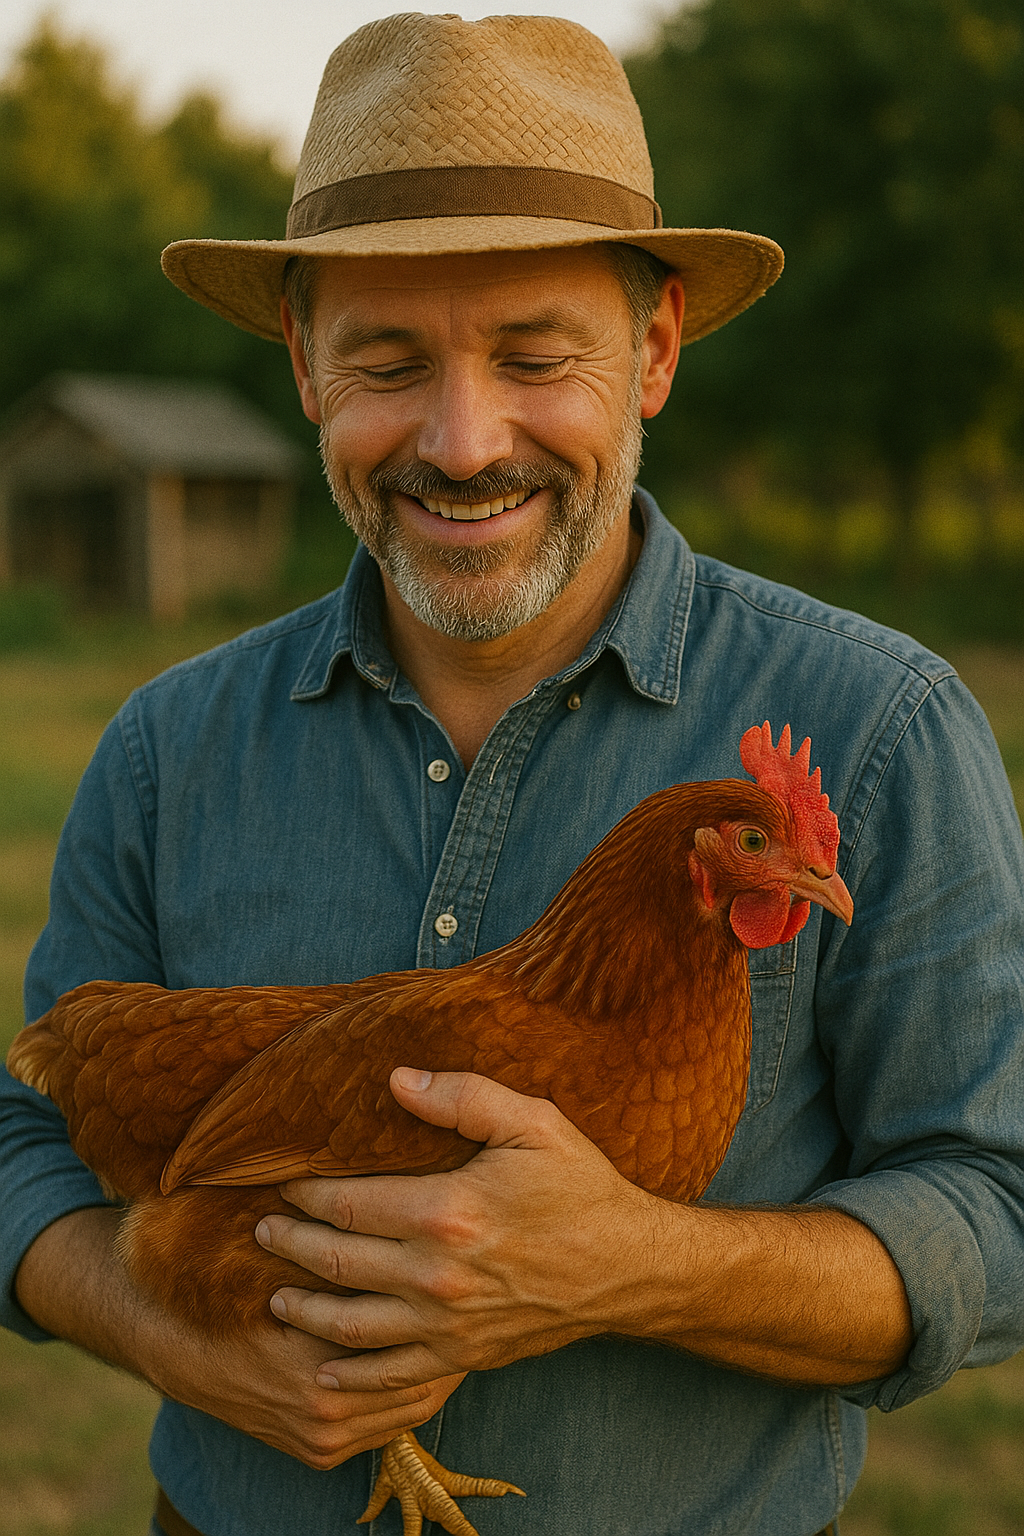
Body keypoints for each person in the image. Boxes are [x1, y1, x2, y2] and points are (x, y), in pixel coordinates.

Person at [2, 13, 1023, 1536]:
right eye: (388, 361)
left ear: (656, 349)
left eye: (536, 356)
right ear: (302, 366)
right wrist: (168, 1334)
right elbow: (26, 1135)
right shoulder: (169, 744)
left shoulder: (881, 726)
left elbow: (997, 1211)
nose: (463, 441)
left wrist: (637, 1261)